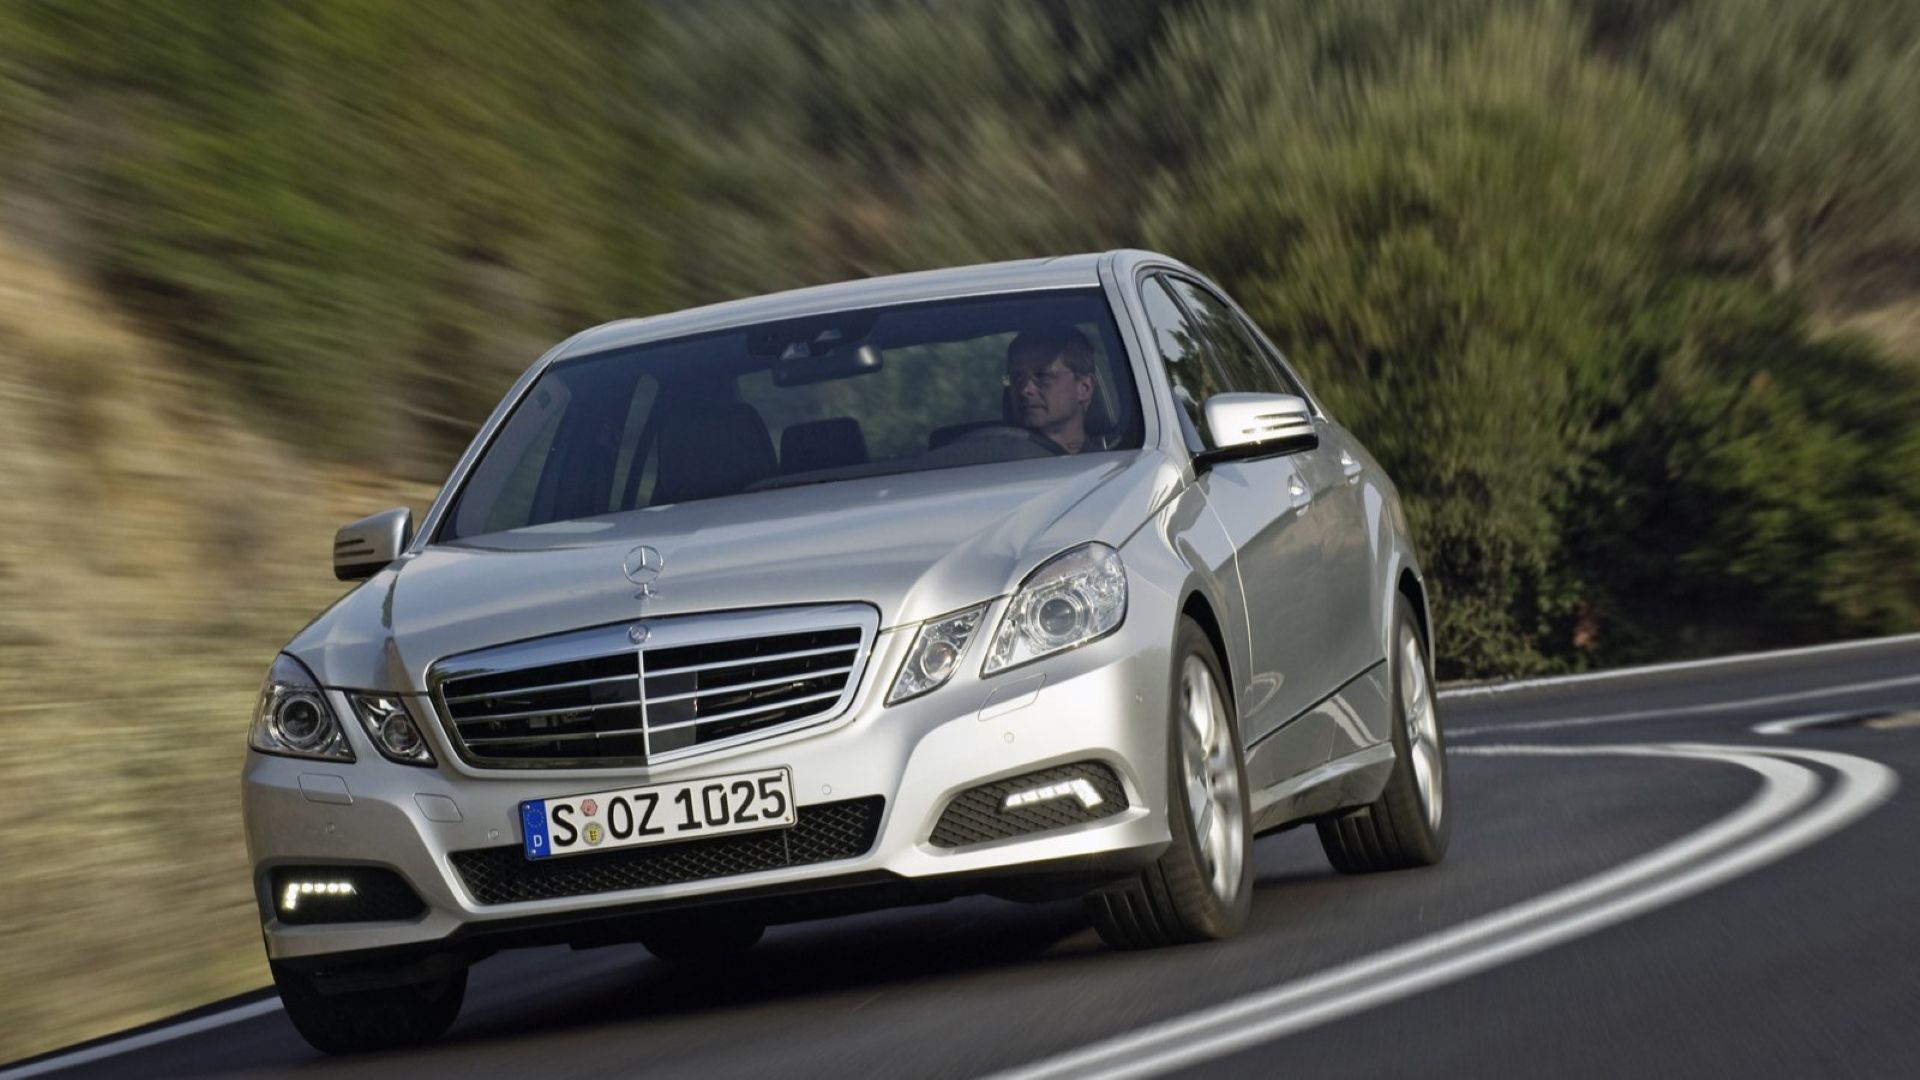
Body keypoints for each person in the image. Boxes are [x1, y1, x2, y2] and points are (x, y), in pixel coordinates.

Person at [1004, 326, 1098, 454]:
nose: (1025, 389)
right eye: (1018, 377)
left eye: (1043, 376)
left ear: (1084, 388)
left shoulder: (1108, 469)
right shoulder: (992, 463)